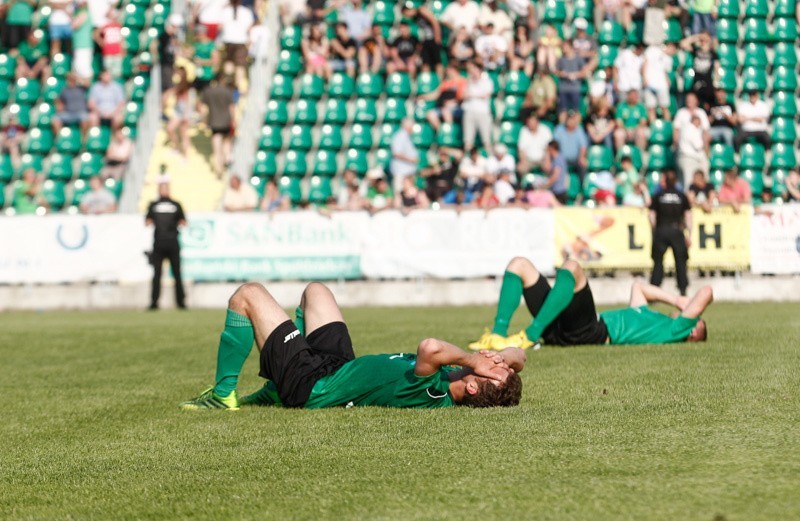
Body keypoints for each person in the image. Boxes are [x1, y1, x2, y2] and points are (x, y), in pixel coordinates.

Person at [179, 281, 524, 410]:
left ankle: (224, 394)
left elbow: (430, 346)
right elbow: (519, 357)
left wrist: (472, 359)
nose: (496, 362)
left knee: (247, 295)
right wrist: (501, 358)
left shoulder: (433, 393)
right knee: (317, 291)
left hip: (312, 385)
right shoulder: (455, 376)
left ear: (475, 387)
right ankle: (275, 386)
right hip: (339, 365)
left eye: (494, 369)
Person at [468, 255, 711, 350]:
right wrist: (674, 298)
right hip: (562, 328)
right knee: (519, 265)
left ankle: (530, 334)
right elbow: (639, 287)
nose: (693, 315)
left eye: (696, 320)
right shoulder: (648, 317)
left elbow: (706, 292)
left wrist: (681, 302)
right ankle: (497, 336)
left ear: (691, 333)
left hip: (589, 332)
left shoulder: (674, 331)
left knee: (573, 268)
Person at [145, 175, 187, 310]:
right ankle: (154, 302)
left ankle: (181, 302)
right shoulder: (153, 205)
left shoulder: (176, 204)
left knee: (177, 274)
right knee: (157, 274)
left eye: (165, 188)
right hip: (158, 243)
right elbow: (147, 221)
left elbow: (183, 221)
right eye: (161, 188)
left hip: (173, 242)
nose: (164, 190)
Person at [650, 169, 692, 296]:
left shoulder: (658, 195)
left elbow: (651, 215)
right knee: (680, 261)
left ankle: (655, 290)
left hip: (661, 230)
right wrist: (689, 234)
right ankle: (683, 290)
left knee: (657, 262)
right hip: (676, 230)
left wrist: (654, 230)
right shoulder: (681, 195)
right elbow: (688, 216)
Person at [201, 75, 236, 177]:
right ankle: (227, 158)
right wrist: (233, 121)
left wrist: (205, 121)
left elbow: (203, 109)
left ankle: (219, 170)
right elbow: (232, 108)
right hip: (226, 122)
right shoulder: (228, 91)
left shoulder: (208, 92)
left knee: (217, 149)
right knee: (226, 142)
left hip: (214, 122)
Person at [219, 0, 254, 91]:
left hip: (228, 40)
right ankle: (239, 87)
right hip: (241, 41)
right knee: (240, 65)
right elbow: (249, 28)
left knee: (229, 62)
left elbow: (220, 26)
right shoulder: (246, 12)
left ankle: (228, 83)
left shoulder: (224, 11)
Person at [400, 1, 442, 75]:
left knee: (437, 61)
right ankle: (427, 80)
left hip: (433, 38)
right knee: (425, 62)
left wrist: (437, 37)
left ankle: (440, 80)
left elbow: (434, 22)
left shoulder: (421, 10)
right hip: (426, 40)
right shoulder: (415, 18)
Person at [461, 62, 494, 151]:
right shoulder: (468, 82)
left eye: (475, 70)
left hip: (483, 112)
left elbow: (485, 95)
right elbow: (463, 95)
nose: (473, 72)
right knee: (468, 140)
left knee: (486, 140)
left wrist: (471, 95)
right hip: (469, 112)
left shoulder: (487, 81)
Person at [554, 40, 588, 120]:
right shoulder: (561, 59)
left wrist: (575, 75)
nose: (564, 49)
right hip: (563, 88)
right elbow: (556, 71)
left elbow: (584, 72)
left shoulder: (578, 59)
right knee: (563, 111)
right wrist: (562, 74)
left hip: (575, 88)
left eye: (565, 47)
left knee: (576, 111)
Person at [677, 114, 709, 187]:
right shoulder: (691, 129)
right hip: (689, 159)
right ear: (695, 121)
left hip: (684, 158)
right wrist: (706, 139)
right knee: (689, 182)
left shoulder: (685, 128)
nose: (700, 124)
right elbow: (699, 145)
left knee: (684, 181)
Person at [389, 119, 419, 194]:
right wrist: (411, 159)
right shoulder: (399, 136)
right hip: (401, 172)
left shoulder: (407, 136)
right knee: (399, 194)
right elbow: (396, 153)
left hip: (408, 173)